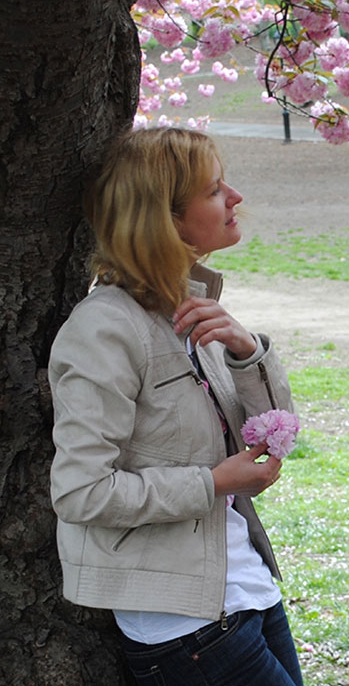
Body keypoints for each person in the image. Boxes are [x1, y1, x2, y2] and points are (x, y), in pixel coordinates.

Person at [48, 127, 304, 686]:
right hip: (185, 627)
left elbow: (272, 434)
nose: (234, 197)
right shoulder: (104, 330)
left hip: (246, 591)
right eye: (214, 190)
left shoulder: (189, 311)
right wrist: (212, 482)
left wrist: (246, 351)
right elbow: (80, 490)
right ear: (165, 219)